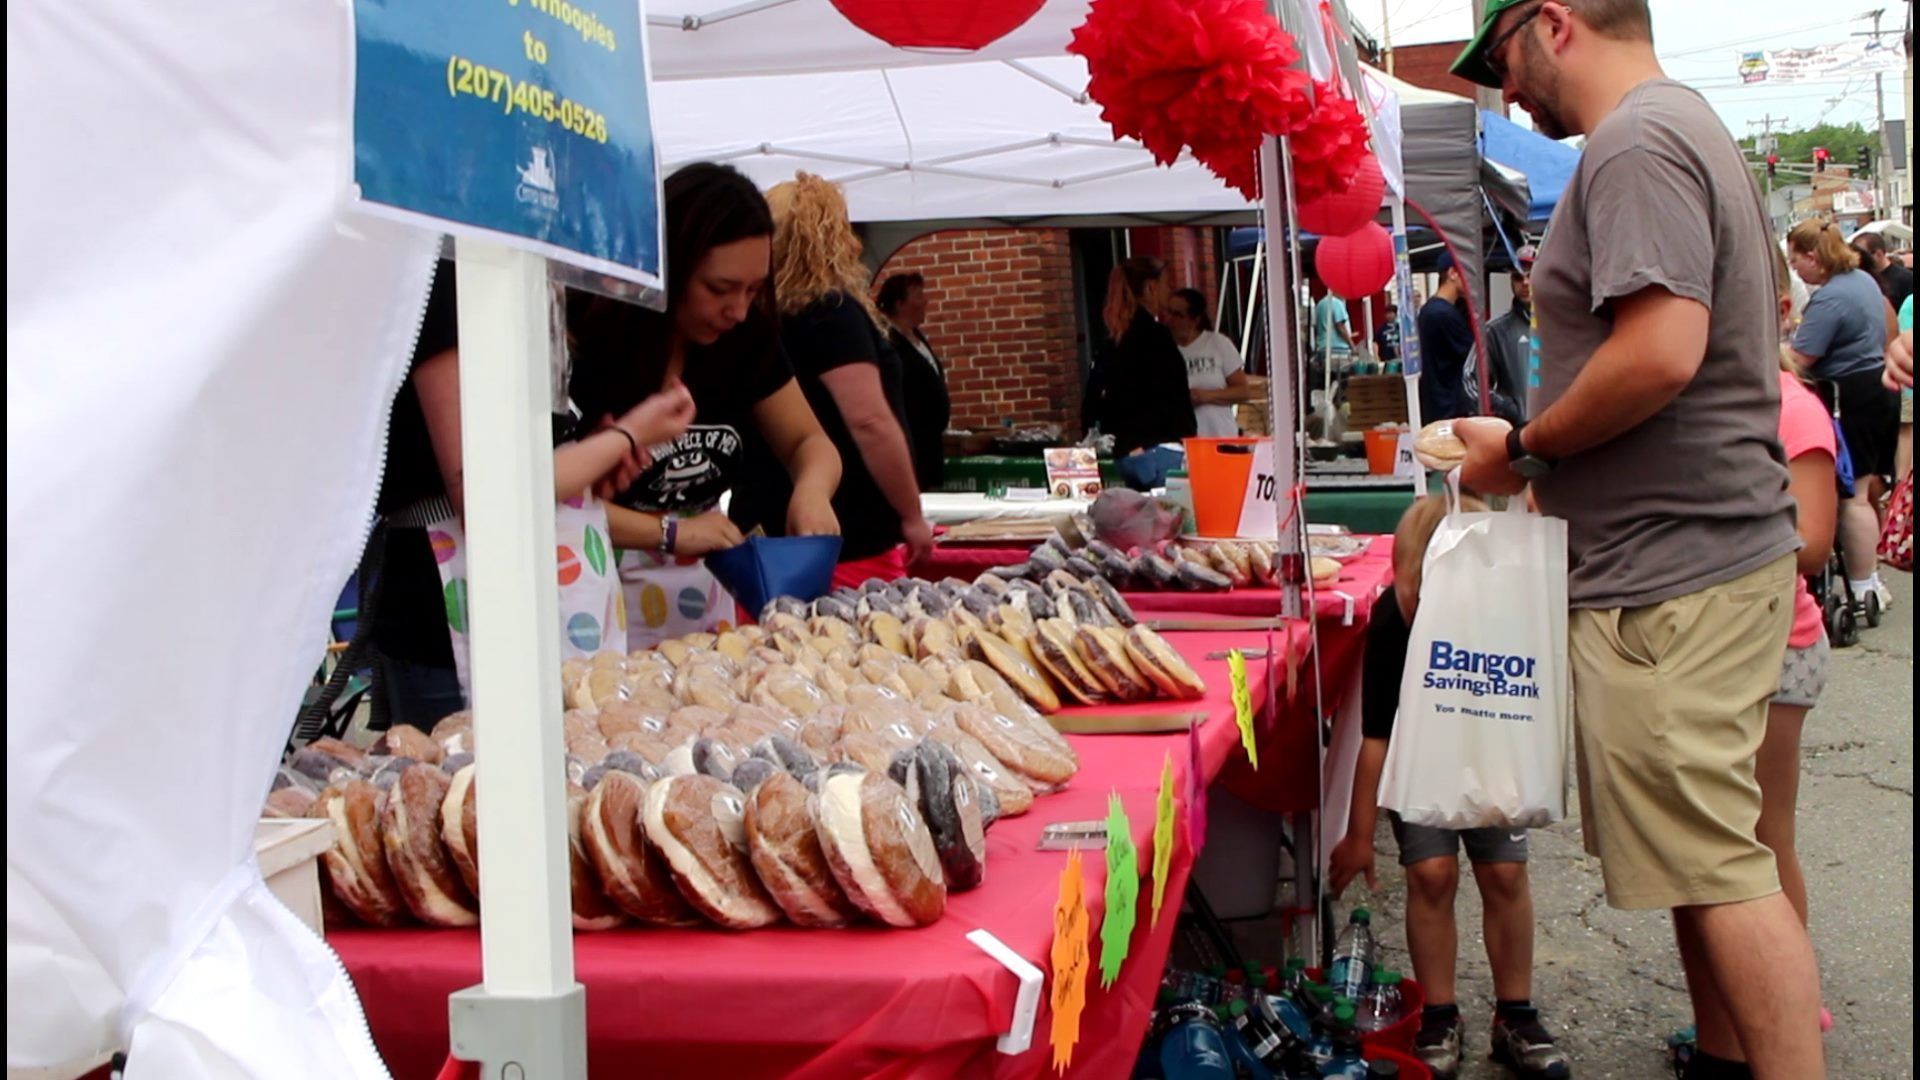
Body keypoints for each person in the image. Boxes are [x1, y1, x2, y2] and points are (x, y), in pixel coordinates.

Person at [1453, 3, 1825, 1076]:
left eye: (1501, 58)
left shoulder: (1637, 140)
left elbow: (1662, 350)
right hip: (1691, 563)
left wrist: (1520, 447)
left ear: (1554, 21)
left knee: (1715, 867)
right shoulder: (1671, 128)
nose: (1505, 90)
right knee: (1700, 859)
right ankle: (1722, 1058)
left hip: (1675, 573)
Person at [373, 262, 699, 729]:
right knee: (475, 786)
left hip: (552, 588)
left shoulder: (532, 280)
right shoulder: (453, 278)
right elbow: (482, 489)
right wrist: (626, 436)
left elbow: (529, 456)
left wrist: (591, 458)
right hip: (451, 603)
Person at [1330, 496, 1572, 1080]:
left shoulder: (1511, 611)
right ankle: (1440, 1014)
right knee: (1431, 875)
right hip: (1423, 759)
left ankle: (1515, 1012)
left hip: (1495, 754)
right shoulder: (1393, 621)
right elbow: (1378, 735)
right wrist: (1360, 833)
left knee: (1505, 872)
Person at [568, 163, 844, 647]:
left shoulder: (746, 340)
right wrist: (668, 532)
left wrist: (813, 489)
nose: (738, 310)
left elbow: (808, 440)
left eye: (753, 290)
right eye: (719, 289)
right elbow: (547, 498)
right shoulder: (589, 344)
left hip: (705, 595)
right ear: (667, 267)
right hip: (592, 596)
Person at [731, 172, 932, 580]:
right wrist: (911, 514)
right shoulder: (831, 311)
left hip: (768, 529)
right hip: (845, 534)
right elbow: (869, 421)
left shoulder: (758, 318)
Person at [1785, 219, 1899, 619]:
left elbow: (1801, 358)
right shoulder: (1864, 282)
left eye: (1796, 260)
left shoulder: (1831, 299)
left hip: (1849, 394)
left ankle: (1864, 580)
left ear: (1814, 257)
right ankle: (1871, 576)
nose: (1796, 269)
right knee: (1868, 490)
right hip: (1878, 385)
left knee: (1852, 497)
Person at [1088, 256, 1197, 490]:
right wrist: (1188, 439)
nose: (1168, 292)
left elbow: (1092, 403)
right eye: (1165, 284)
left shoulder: (1113, 340)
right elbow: (1176, 396)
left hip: (1126, 452)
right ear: (1150, 288)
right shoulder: (1157, 337)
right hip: (1160, 450)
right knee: (1172, 522)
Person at [877, 271, 951, 492]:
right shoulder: (888, 343)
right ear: (900, 304)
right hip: (913, 445)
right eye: (918, 296)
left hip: (931, 445)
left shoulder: (917, 337)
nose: (925, 301)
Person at [1165, 287, 1257, 437]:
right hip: (1182, 439)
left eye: (1178, 315)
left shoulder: (1217, 343)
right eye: (1169, 312)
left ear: (1195, 320)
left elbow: (1243, 392)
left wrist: (1205, 396)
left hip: (1220, 434)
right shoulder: (1164, 350)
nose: (1170, 320)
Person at [1473, 252, 1536, 424]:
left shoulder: (1561, 324)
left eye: (1531, 275)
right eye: (1518, 277)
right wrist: (1505, 407)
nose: (1525, 282)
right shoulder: (1494, 330)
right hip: (1518, 435)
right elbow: (1471, 380)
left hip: (1562, 433)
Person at [1417, 252, 1475, 422]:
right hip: (1450, 407)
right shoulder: (1444, 314)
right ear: (1452, 273)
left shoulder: (1429, 310)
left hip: (1436, 405)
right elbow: (1474, 356)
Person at [1851, 231, 1913, 312]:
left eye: (1862, 255)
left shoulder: (1906, 279)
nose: (1858, 260)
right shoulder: (1860, 277)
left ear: (1878, 254)